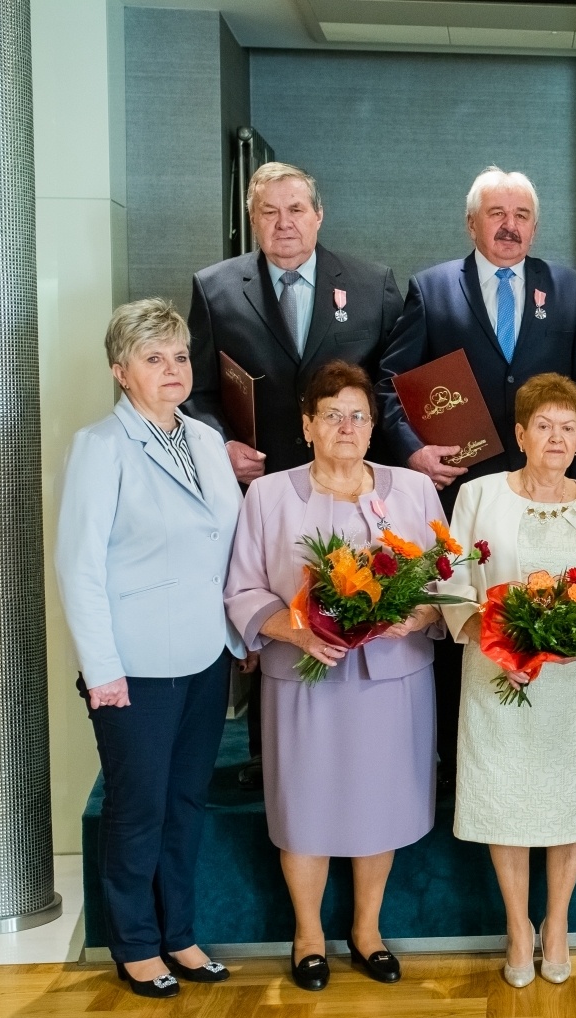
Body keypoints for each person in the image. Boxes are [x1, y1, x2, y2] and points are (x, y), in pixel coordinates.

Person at [377, 166, 576, 789]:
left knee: (554, 616)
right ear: (471, 223)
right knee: (464, 622)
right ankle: (460, 771)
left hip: (552, 497)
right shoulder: (432, 289)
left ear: (536, 225)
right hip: (465, 494)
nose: (510, 226)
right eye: (497, 214)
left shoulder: (567, 289)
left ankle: (548, 769)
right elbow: (390, 385)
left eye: (522, 216)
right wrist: (413, 453)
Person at [224, 361, 447, 993]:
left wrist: (420, 613)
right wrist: (295, 631)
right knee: (305, 805)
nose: (346, 427)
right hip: (305, 675)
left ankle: (367, 932)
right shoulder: (268, 495)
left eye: (358, 416)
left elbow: (448, 578)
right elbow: (243, 588)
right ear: (307, 426)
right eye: (331, 415)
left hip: (392, 676)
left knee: (382, 799)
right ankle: (309, 936)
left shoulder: (412, 490)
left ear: (373, 428)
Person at [184, 161, 404, 790]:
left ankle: (372, 749)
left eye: (296, 209)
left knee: (362, 604)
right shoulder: (215, 288)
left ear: (318, 215)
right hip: (266, 487)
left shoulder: (373, 285)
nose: (284, 223)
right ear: (252, 219)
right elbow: (196, 391)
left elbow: (393, 387)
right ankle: (268, 756)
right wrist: (222, 445)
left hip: (352, 483)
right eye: (269, 211)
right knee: (277, 613)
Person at [56, 298, 244, 997]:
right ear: (120, 370)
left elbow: (227, 545)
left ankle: (180, 934)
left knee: (186, 802)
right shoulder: (100, 447)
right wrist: (101, 670)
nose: (173, 369)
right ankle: (135, 943)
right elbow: (78, 566)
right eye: (153, 357)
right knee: (139, 808)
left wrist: (238, 636)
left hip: (205, 653)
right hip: (132, 664)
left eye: (181, 355)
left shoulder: (204, 439)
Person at [440, 373, 576, 988]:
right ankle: (518, 925)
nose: (556, 437)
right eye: (543, 425)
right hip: (499, 674)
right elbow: (454, 584)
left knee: (569, 798)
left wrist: (574, 642)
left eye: (568, 427)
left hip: (573, 681)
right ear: (520, 435)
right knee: (507, 798)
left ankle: (558, 921)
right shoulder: (478, 495)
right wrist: (498, 642)